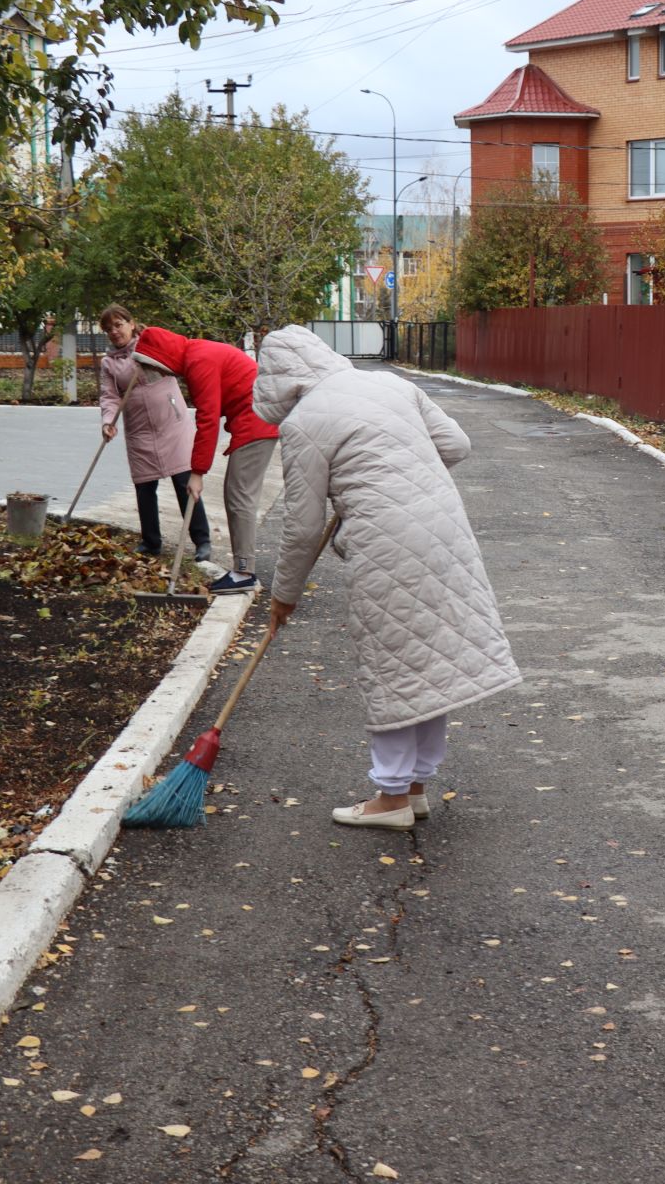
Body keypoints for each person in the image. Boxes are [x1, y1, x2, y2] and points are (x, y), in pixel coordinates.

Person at [254, 324, 521, 830]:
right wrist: (400, 475)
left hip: (387, 540)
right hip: (446, 529)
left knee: (395, 662)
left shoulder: (304, 422)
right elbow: (456, 445)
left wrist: (282, 595)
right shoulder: (393, 384)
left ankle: (391, 798)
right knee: (429, 660)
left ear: (278, 382)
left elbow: (304, 526)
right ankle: (415, 787)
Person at [103, 305, 278, 593]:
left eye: (157, 366)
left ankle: (245, 573)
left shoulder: (198, 361)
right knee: (236, 495)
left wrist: (197, 472)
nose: (159, 372)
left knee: (240, 497)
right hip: (254, 420)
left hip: (257, 422)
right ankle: (242, 570)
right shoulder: (196, 353)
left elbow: (208, 419)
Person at [98, 313, 210, 559]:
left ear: (131, 323)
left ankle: (202, 540)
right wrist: (108, 421)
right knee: (144, 486)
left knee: (184, 482)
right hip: (139, 430)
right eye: (109, 328)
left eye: (118, 325)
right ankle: (151, 542)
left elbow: (176, 362)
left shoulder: (150, 343)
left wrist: (146, 358)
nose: (114, 331)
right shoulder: (108, 363)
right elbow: (109, 396)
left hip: (172, 423)